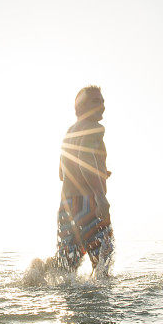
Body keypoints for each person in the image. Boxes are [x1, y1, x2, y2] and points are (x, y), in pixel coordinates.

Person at [55, 85, 114, 275]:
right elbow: (84, 161)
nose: (102, 106)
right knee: (103, 258)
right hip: (88, 202)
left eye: (102, 101)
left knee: (66, 266)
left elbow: (62, 173)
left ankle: (37, 274)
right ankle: (99, 304)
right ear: (79, 107)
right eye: (96, 101)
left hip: (67, 205)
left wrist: (101, 172)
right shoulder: (94, 128)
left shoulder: (70, 132)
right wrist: (100, 196)